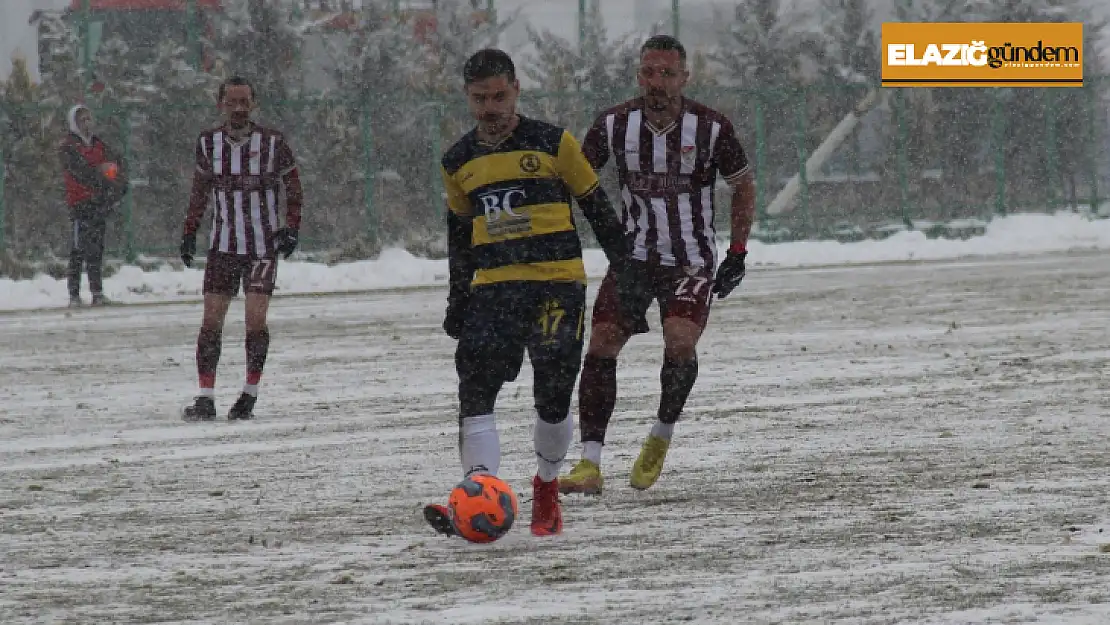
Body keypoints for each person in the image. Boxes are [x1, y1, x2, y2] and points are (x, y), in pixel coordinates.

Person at [422, 49, 636, 537]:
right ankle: (478, 491)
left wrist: (628, 274)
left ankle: (544, 486)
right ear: (467, 98)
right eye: (480, 99)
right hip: (493, 290)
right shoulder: (457, 160)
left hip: (555, 286)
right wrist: (458, 297)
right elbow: (460, 234)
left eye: (499, 96)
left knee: (552, 395)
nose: (490, 108)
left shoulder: (554, 143)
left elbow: (598, 210)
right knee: (475, 389)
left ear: (516, 90)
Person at [559, 35, 755, 495]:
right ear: (638, 75)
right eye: (649, 72)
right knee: (602, 343)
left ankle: (661, 435)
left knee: (680, 342)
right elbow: (576, 179)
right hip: (633, 259)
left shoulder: (711, 128)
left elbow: (743, 187)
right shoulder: (612, 124)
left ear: (684, 78)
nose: (657, 82)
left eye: (667, 73)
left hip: (690, 261)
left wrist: (737, 253)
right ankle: (589, 463)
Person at [179, 76, 303, 422]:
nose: (238, 108)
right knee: (211, 321)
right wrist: (189, 232)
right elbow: (200, 191)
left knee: (255, 320)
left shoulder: (273, 143)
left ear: (254, 103)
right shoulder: (208, 143)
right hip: (222, 247)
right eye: (232, 102)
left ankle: (249, 394)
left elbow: (294, 188)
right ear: (221, 104)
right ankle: (205, 397)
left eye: (244, 101)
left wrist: (292, 228)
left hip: (263, 247)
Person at [61, 104, 128, 307]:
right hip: (80, 203)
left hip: (99, 202)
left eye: (89, 118)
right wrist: (101, 174)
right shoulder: (69, 147)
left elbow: (117, 164)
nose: (87, 123)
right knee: (78, 249)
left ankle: (97, 292)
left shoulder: (99, 145)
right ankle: (74, 294)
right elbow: (80, 172)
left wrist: (115, 185)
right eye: (82, 119)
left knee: (96, 248)